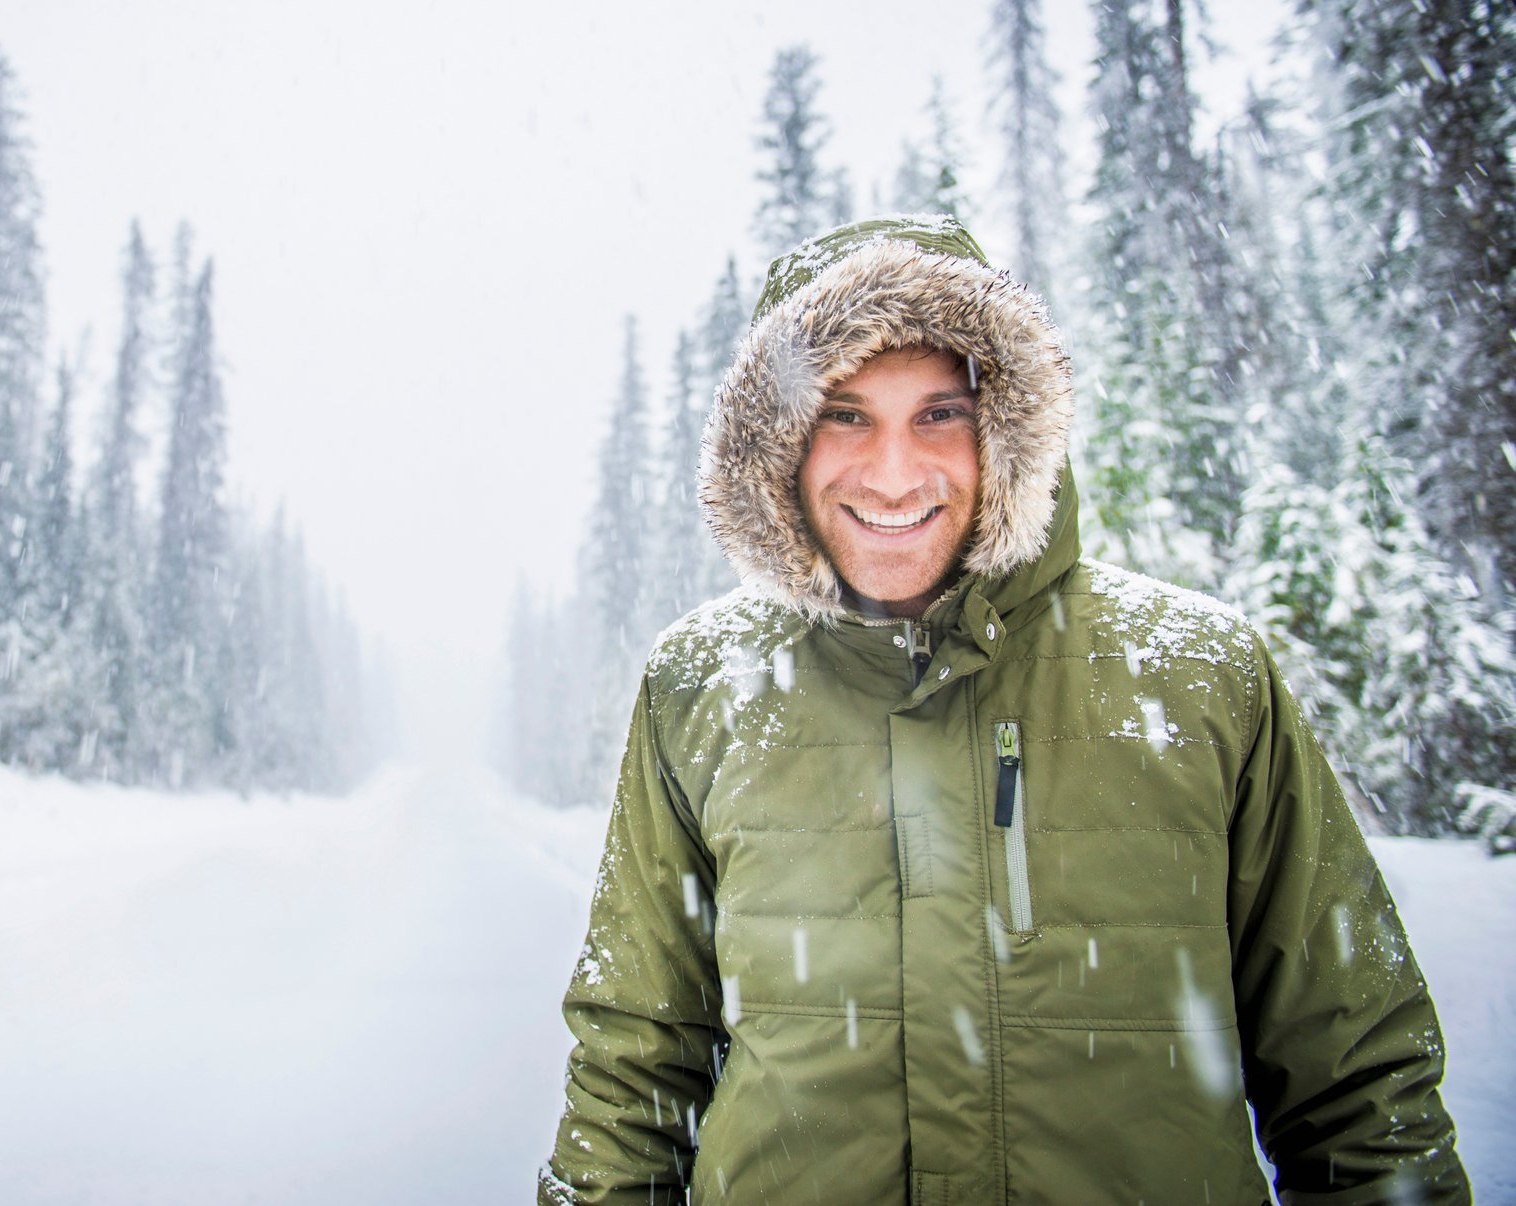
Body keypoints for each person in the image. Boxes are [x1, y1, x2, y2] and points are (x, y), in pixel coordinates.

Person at [540, 217, 1468, 1205]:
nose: (893, 474)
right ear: (776, 443)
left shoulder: (1201, 677)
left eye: (939, 413)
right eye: (844, 414)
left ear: (1007, 431)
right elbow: (632, 1079)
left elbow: (1361, 1088)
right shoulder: (700, 685)